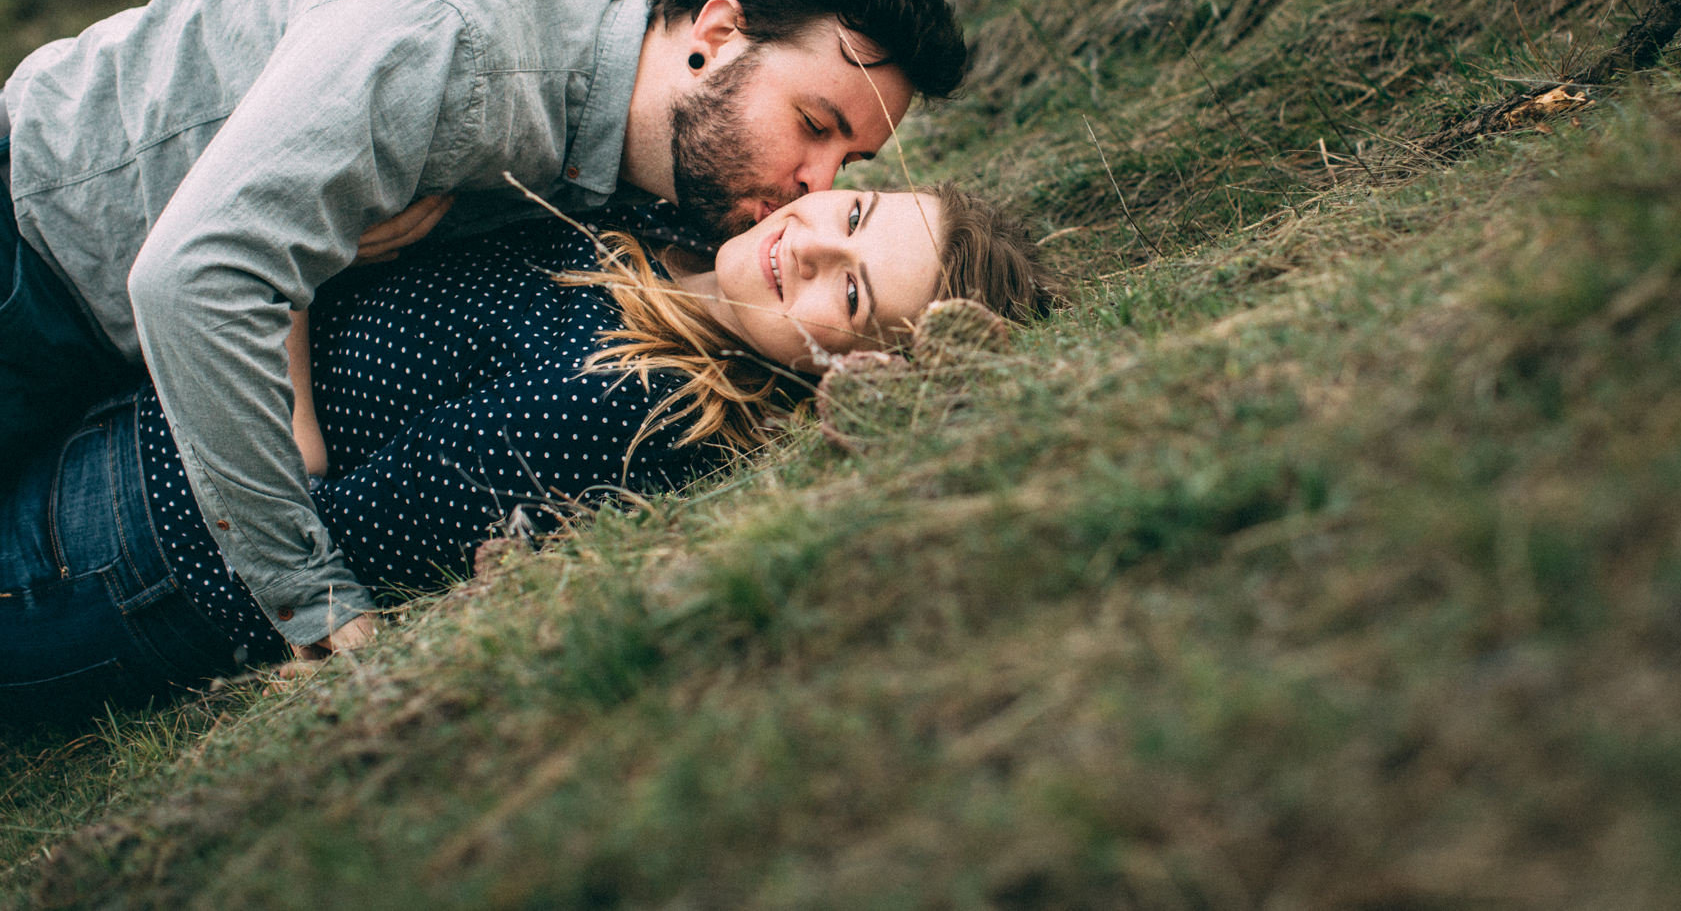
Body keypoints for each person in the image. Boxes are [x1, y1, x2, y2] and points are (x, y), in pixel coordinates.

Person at [0, 0, 963, 664]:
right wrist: (306, 593)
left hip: (110, 323)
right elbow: (192, 281)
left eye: (853, 166)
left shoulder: (607, 75)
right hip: (35, 257)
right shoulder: (459, 49)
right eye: (815, 123)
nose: (817, 185)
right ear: (717, 32)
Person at [0, 182, 1055, 717]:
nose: (814, 240)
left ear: (845, 370)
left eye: (852, 290)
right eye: (857, 211)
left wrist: (280, 273)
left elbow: (351, 533)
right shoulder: (662, 228)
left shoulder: (637, 400)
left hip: (138, 547)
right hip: (145, 388)